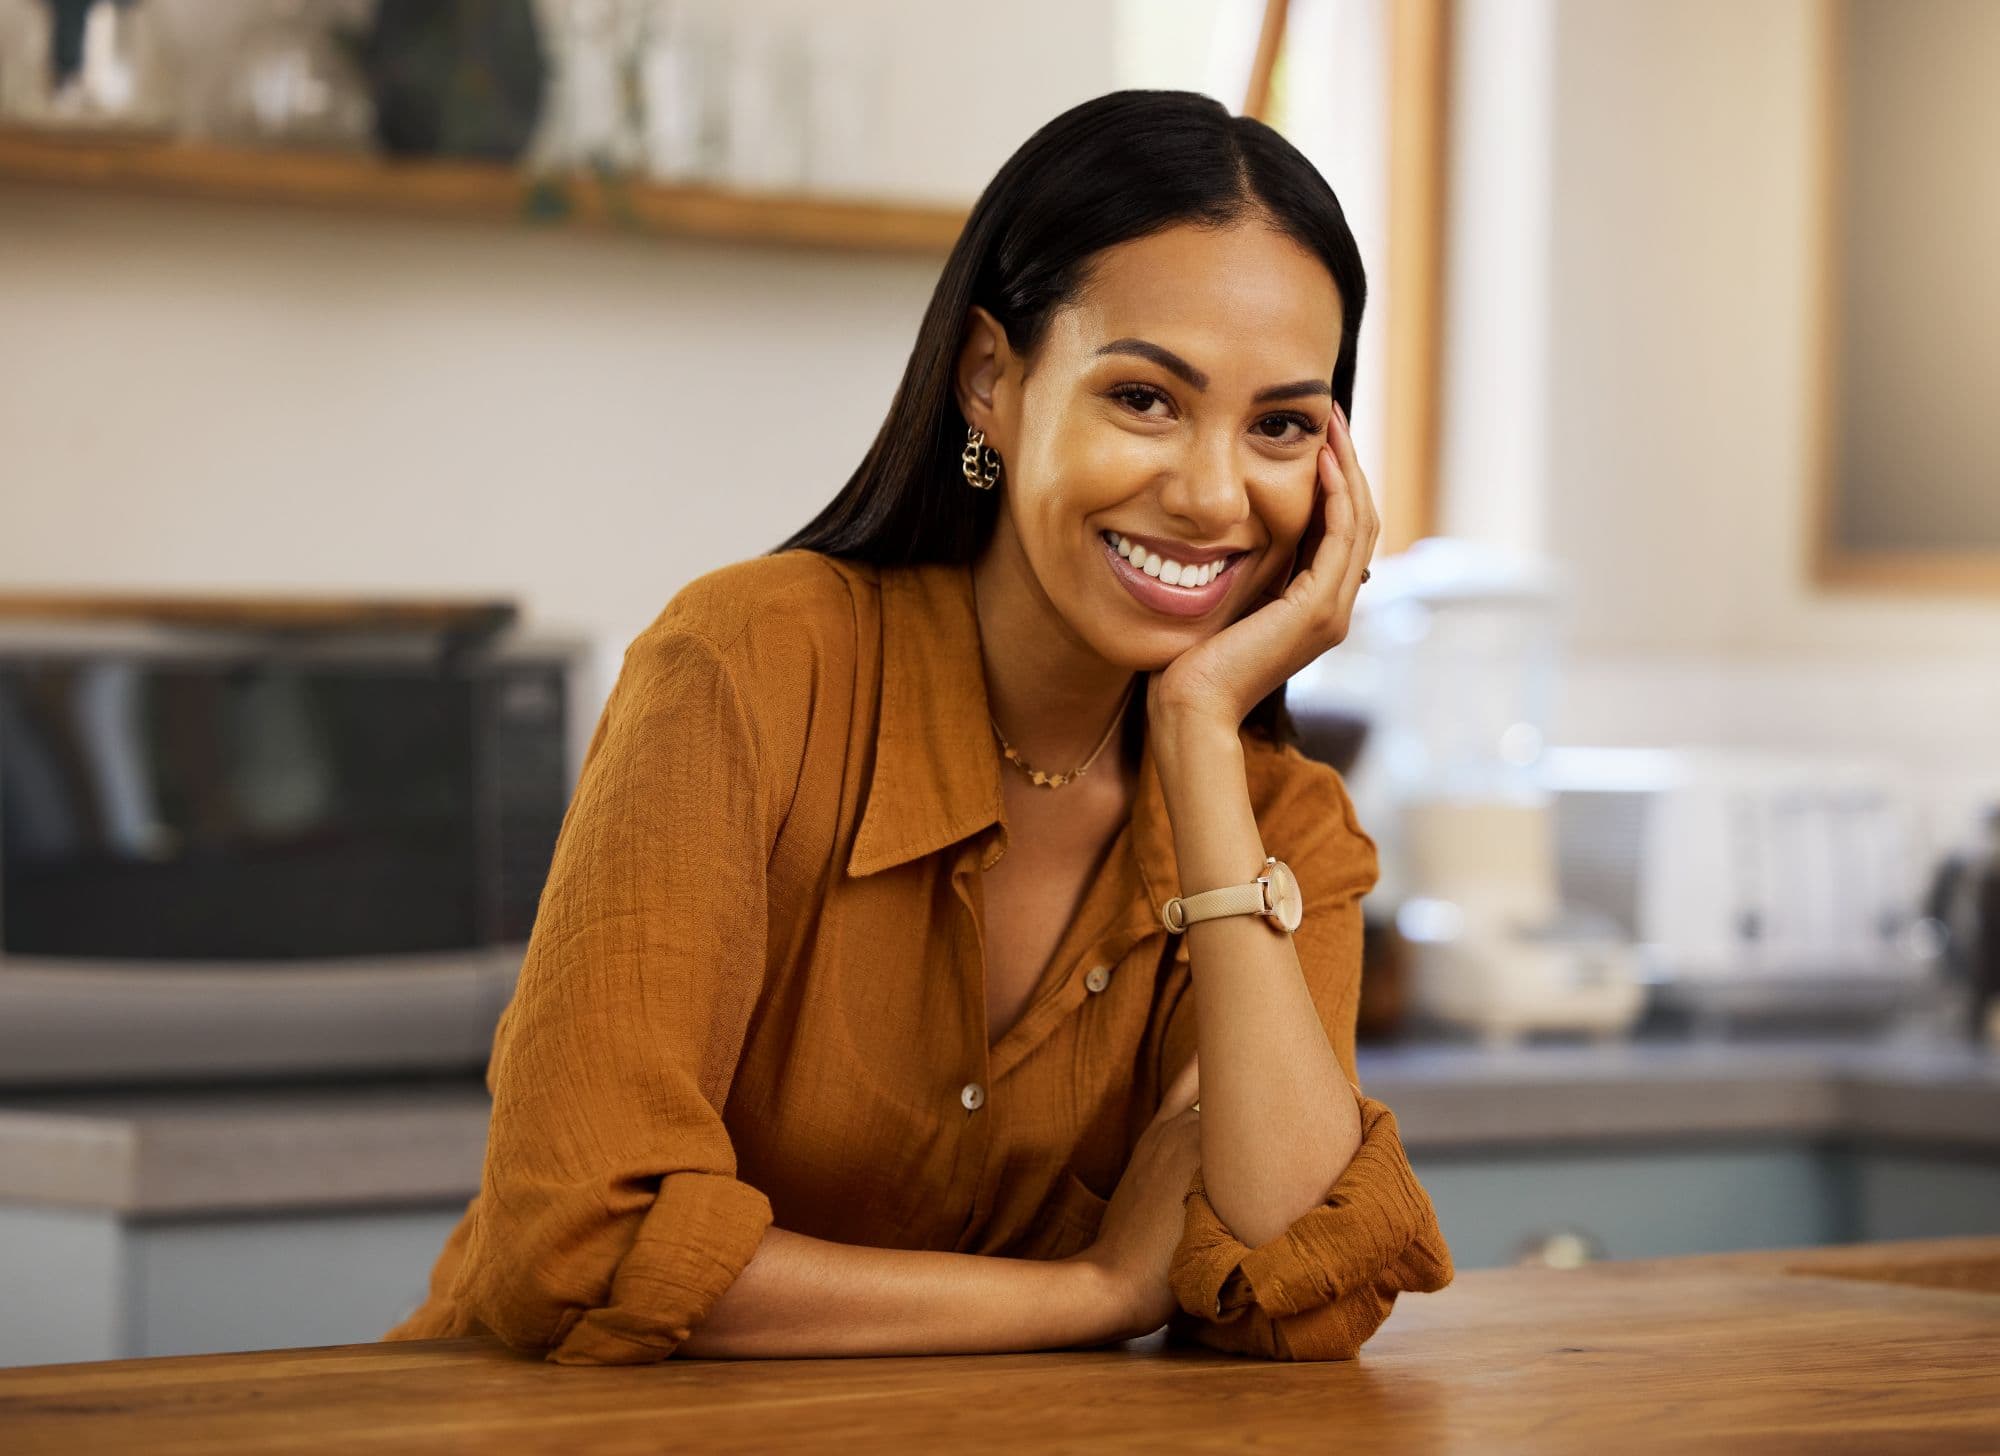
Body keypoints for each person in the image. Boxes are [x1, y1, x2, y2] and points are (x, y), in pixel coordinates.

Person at [383, 88, 1452, 1365]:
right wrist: (1101, 1291)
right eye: (1144, 399)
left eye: (1278, 424)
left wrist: (1197, 727)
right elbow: (579, 1245)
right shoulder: (749, 668)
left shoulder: (1281, 828)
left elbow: (1299, 1285)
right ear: (991, 381)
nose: (1214, 493)